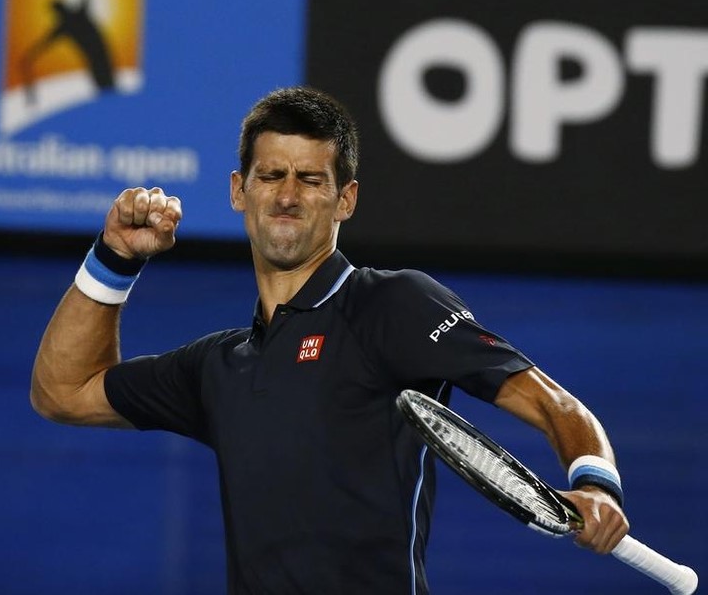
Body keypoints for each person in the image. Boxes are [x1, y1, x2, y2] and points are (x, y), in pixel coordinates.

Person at [31, 86, 629, 594]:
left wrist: (595, 485)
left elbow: (554, 403)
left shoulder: (392, 304)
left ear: (346, 199)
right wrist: (114, 259)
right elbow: (63, 392)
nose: (287, 195)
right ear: (239, 190)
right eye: (271, 175)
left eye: (311, 179)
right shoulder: (217, 367)